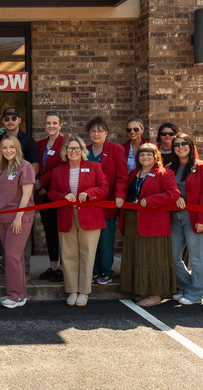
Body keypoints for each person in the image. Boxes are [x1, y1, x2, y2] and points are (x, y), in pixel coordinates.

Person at [47, 136, 108, 307]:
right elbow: (51, 192)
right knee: (68, 255)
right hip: (66, 216)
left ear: (82, 150)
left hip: (89, 217)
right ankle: (72, 290)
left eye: (76, 148)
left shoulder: (94, 167)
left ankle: (84, 292)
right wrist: (62, 196)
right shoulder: (58, 171)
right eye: (70, 148)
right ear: (65, 152)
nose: (73, 151)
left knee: (87, 254)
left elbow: (104, 188)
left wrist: (89, 193)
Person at [119, 143, 180, 307]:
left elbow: (173, 194)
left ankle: (155, 295)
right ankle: (144, 290)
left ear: (156, 157)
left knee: (154, 259)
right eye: (142, 155)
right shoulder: (133, 173)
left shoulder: (164, 173)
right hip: (133, 221)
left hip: (154, 223)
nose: (145, 157)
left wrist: (150, 200)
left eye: (149, 154)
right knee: (138, 257)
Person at [0, 107, 39, 277]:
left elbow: (34, 166)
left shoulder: (28, 141)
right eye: (7, 118)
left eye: (13, 118)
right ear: (3, 122)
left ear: (19, 120)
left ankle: (24, 269)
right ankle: (5, 265)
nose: (10, 121)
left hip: (20, 195)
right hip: (4, 194)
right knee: (5, 233)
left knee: (20, 233)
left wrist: (23, 186)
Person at [167, 133, 203, 305]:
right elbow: (166, 190)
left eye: (184, 143)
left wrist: (202, 219)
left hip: (195, 218)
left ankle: (196, 294)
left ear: (191, 145)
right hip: (175, 218)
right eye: (176, 145)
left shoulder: (202, 167)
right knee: (173, 256)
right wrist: (174, 197)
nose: (180, 147)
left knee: (196, 258)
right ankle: (187, 287)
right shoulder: (170, 167)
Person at [0, 136, 36, 308]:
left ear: (17, 148)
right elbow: (0, 195)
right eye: (4, 148)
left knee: (12, 255)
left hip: (19, 219)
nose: (8, 150)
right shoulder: (2, 167)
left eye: (11, 147)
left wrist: (18, 217)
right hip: (2, 219)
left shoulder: (25, 167)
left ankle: (15, 295)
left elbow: (26, 194)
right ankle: (20, 295)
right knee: (14, 258)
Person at [85, 116, 128, 285]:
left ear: (106, 133)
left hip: (108, 202)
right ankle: (93, 270)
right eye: (93, 131)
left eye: (100, 131)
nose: (96, 134)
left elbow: (122, 176)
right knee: (91, 239)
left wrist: (119, 195)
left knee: (106, 239)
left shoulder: (116, 149)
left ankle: (106, 271)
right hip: (89, 203)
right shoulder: (85, 150)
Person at [34, 111, 66, 283]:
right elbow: (35, 165)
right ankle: (53, 265)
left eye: (55, 123)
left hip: (57, 194)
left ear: (60, 125)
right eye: (48, 123)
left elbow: (60, 169)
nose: (51, 126)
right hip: (42, 194)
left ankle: (63, 267)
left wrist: (42, 183)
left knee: (61, 231)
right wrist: (37, 184)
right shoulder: (40, 144)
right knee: (49, 232)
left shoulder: (65, 144)